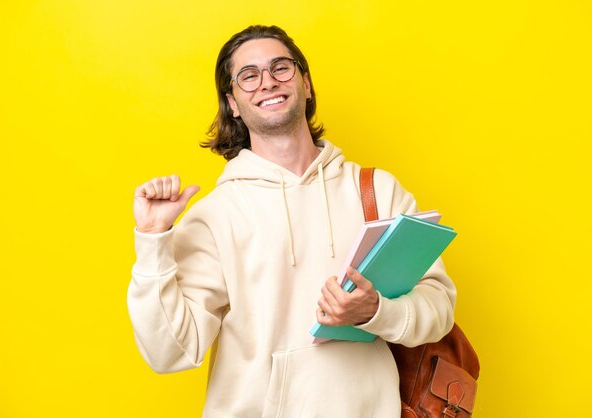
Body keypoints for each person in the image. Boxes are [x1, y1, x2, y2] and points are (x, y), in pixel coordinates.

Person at [128, 25, 456, 418]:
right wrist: (152, 240)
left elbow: (439, 309)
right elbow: (171, 353)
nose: (266, 82)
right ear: (232, 103)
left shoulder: (376, 191)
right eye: (248, 76)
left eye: (280, 67)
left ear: (306, 82)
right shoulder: (215, 215)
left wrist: (375, 313)